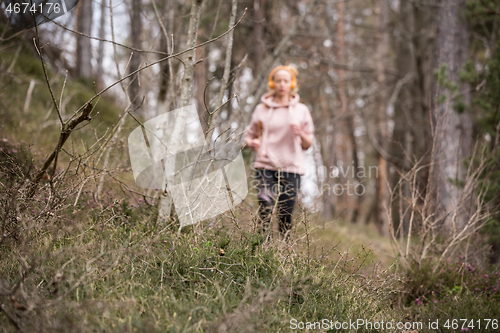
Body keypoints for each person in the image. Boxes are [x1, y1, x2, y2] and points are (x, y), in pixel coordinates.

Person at [244, 65, 315, 241]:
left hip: (292, 167)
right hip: (264, 165)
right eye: (278, 80)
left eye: (286, 80)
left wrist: (301, 133)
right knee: (265, 208)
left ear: (292, 84)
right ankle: (263, 252)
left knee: (285, 214)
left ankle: (285, 253)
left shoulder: (301, 110)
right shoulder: (261, 108)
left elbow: (308, 144)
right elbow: (248, 135)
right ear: (272, 83)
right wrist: (251, 142)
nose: (282, 84)